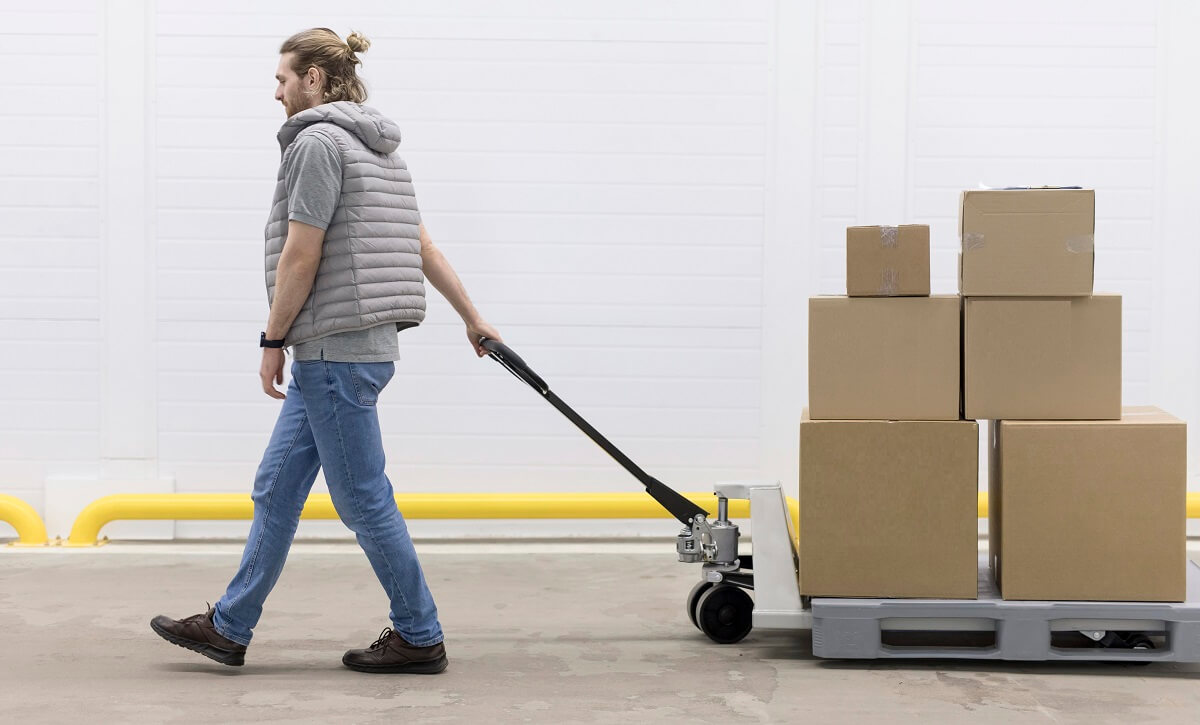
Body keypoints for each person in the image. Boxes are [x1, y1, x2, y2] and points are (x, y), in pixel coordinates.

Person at [150, 27, 502, 673]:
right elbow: (423, 246)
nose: (276, 92)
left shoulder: (316, 143)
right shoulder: (382, 150)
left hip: (333, 352)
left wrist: (272, 338)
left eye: (282, 79)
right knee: (277, 487)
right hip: (350, 351)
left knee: (363, 497)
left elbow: (301, 252)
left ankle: (420, 634)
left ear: (313, 78)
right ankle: (229, 626)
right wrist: (472, 318)